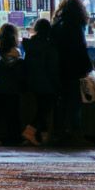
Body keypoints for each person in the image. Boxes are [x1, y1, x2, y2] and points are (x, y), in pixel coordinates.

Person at [49, 0, 93, 146]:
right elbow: (80, 49)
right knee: (74, 105)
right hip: (73, 70)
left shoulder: (56, 25)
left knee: (60, 104)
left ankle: (58, 134)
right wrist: (87, 67)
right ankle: (76, 135)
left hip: (57, 70)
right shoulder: (76, 26)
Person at [0, 22, 26, 145]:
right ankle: (14, 138)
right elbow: (21, 71)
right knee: (13, 115)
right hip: (13, 88)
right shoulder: (17, 52)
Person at [22, 16, 59, 146]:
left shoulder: (29, 46)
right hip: (47, 83)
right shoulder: (50, 47)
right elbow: (53, 68)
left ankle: (41, 137)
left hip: (33, 82)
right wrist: (56, 84)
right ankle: (30, 132)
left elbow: (26, 64)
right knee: (44, 110)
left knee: (41, 108)